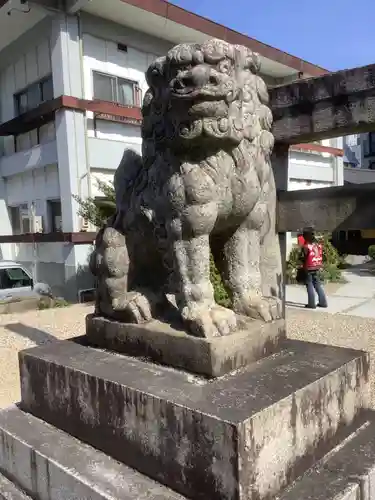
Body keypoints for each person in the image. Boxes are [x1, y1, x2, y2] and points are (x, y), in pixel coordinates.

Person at [301, 228, 328, 309]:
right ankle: (323, 302)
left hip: (309, 267)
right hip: (317, 266)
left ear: (306, 236)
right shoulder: (318, 245)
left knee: (309, 285)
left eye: (304, 235)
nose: (303, 236)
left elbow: (304, 258)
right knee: (318, 285)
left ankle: (311, 304)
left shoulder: (306, 246)